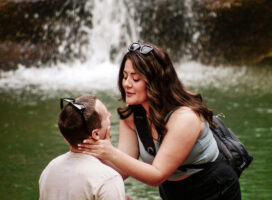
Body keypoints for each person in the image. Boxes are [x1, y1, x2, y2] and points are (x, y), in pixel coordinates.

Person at [78, 43, 241, 199]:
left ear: (155, 83)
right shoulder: (131, 115)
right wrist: (93, 148)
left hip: (213, 188)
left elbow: (157, 175)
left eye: (135, 79)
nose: (126, 84)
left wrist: (110, 152)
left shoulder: (185, 118)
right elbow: (122, 171)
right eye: (124, 76)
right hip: (172, 191)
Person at [39, 94, 126, 200]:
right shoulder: (108, 179)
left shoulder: (50, 170)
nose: (110, 115)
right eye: (106, 116)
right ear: (96, 134)